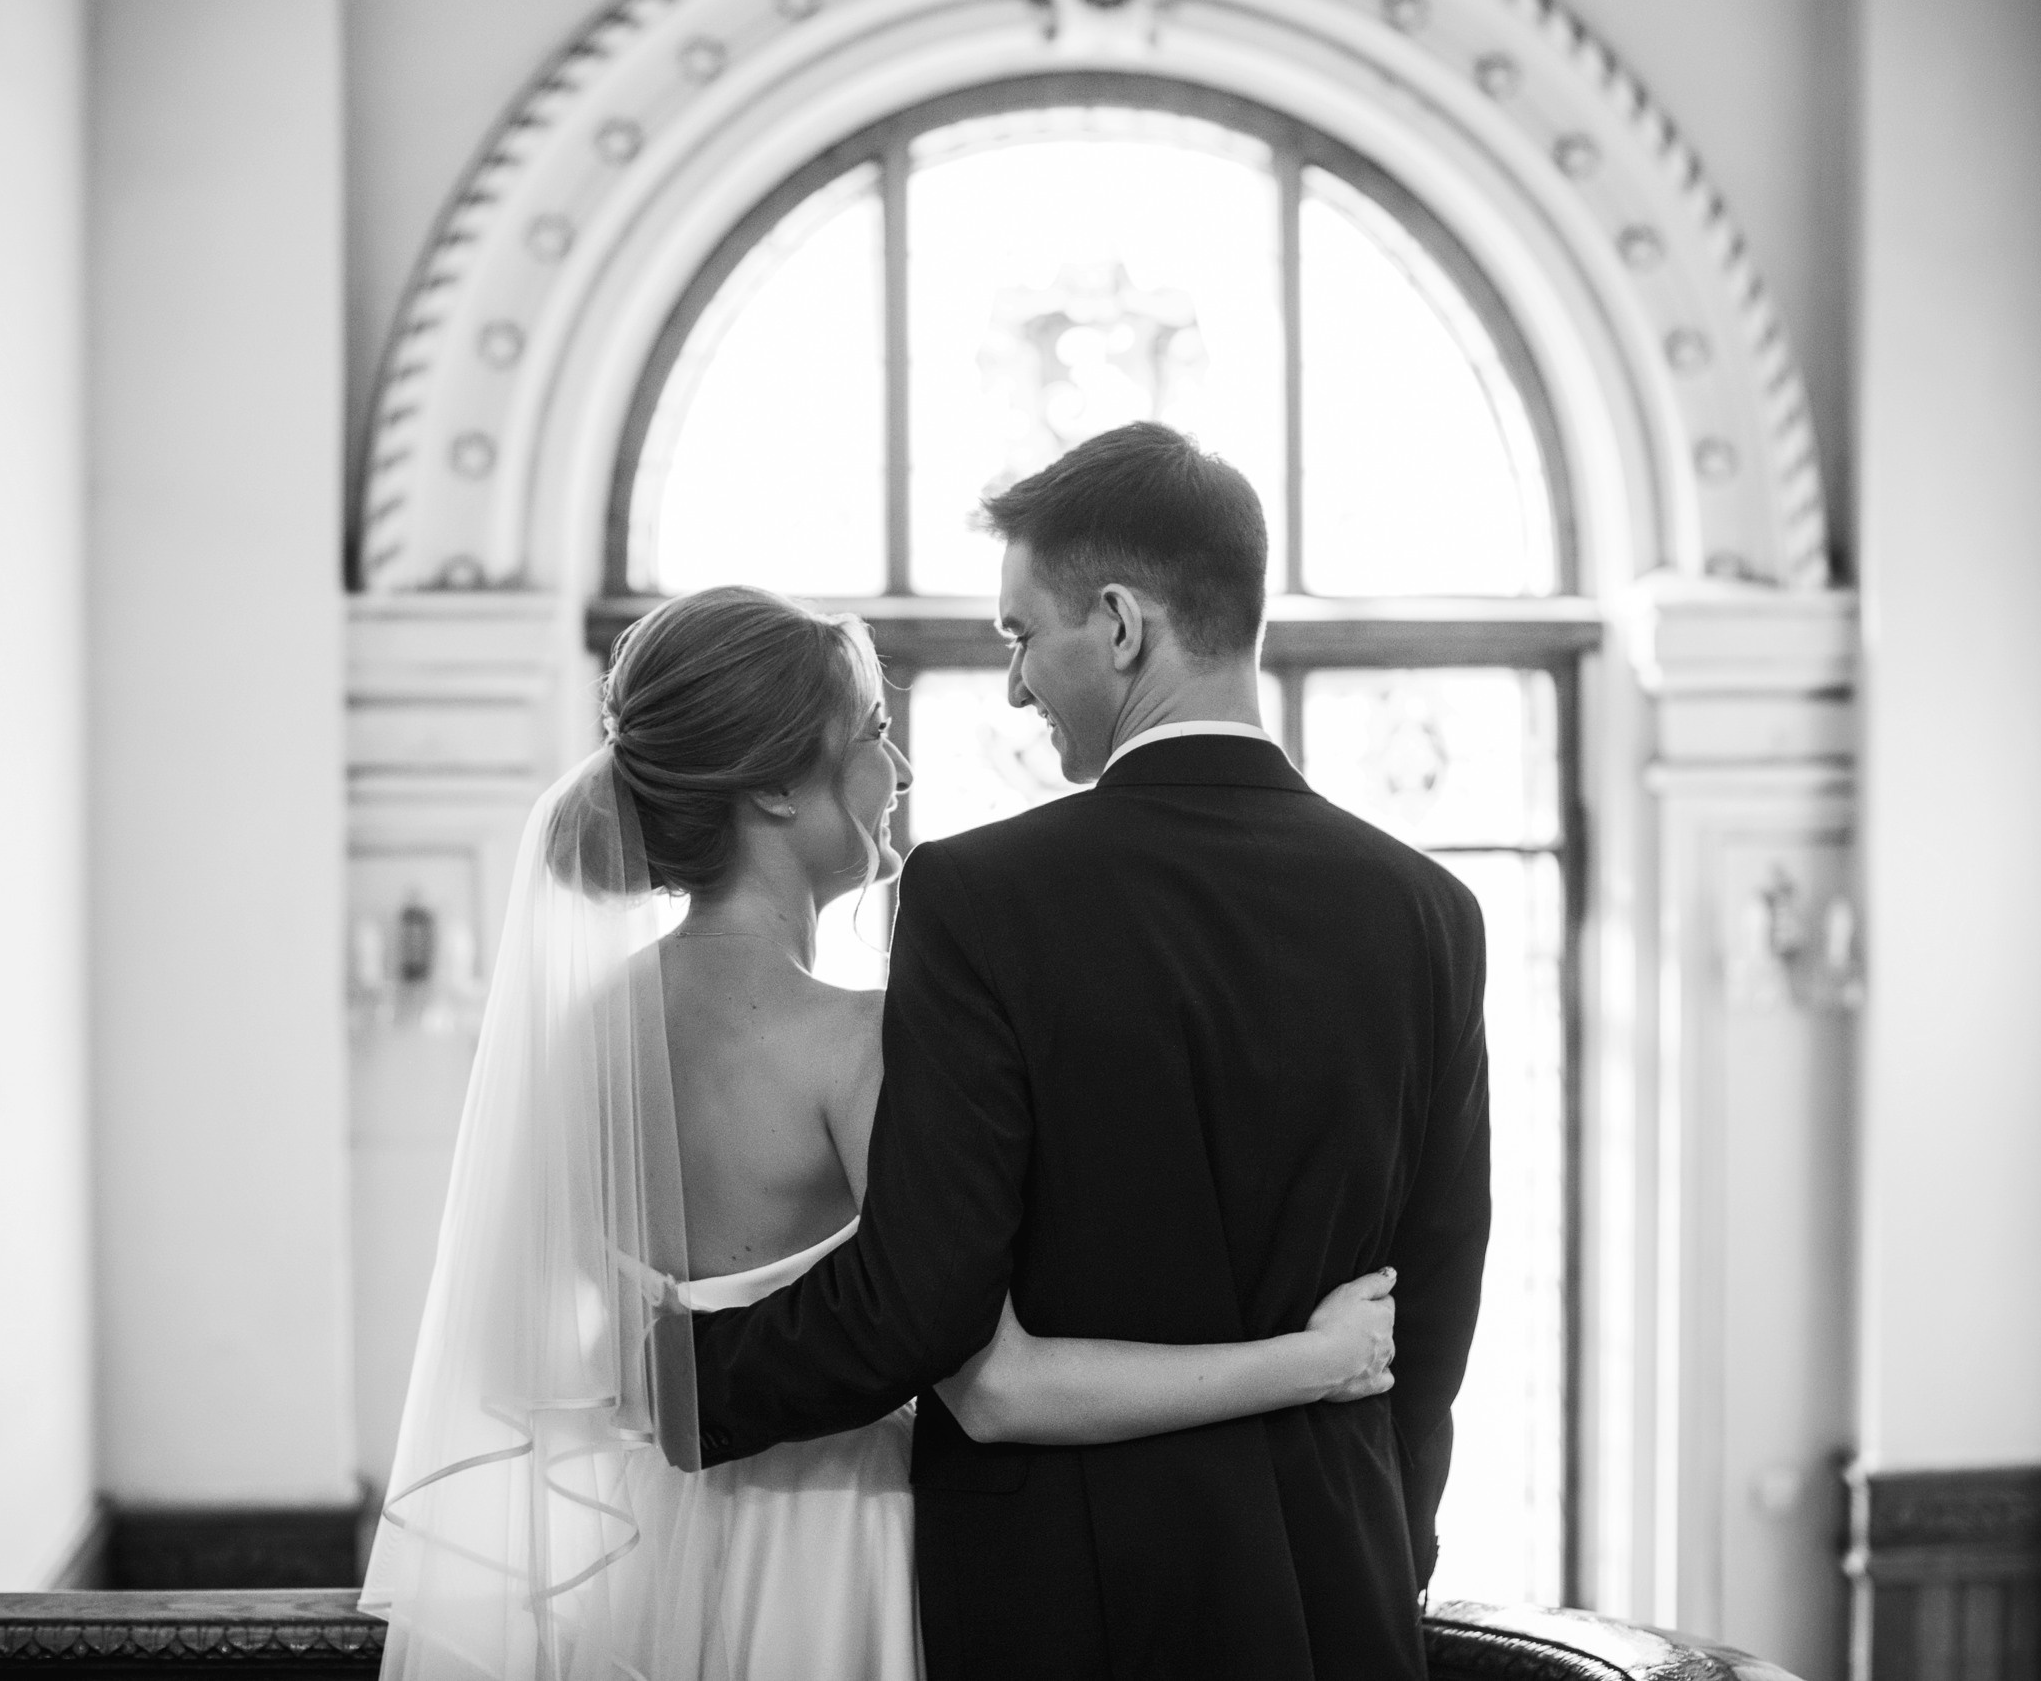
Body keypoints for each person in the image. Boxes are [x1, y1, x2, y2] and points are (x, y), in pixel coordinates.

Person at [361, 580, 1405, 1681]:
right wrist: (1311, 1360)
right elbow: (998, 1388)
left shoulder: (578, 1034)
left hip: (636, 1554)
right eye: (873, 733)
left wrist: (652, 1375)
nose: (898, 771)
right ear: (770, 786)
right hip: (831, 1549)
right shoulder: (861, 1046)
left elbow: (517, 1352)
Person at [691, 422, 1493, 1681]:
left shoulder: (982, 898)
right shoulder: (1428, 912)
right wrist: (1387, 1559)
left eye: (1020, 636)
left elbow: (922, 1300)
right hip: (1342, 1593)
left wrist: (675, 1380)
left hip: (1064, 1606)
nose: (1013, 684)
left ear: (1119, 625)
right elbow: (1435, 1308)